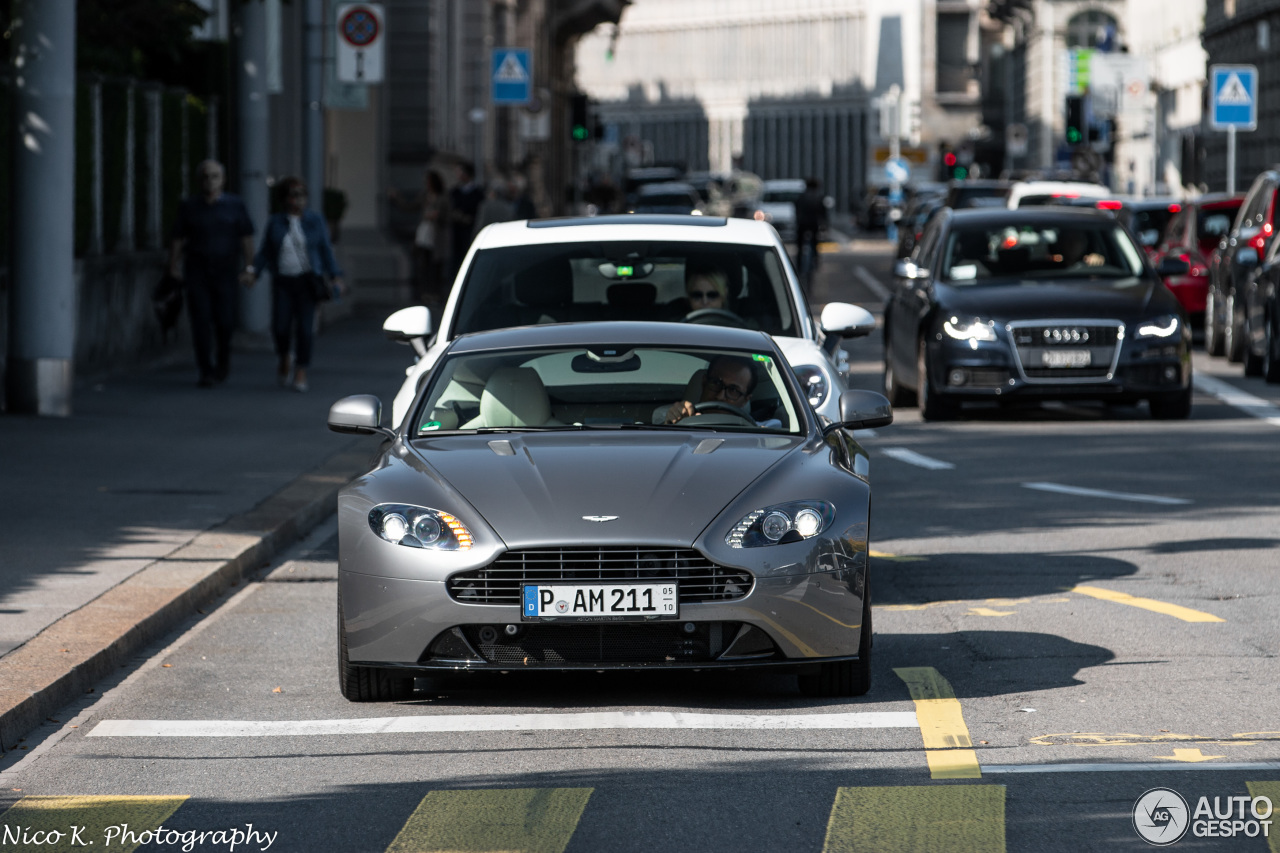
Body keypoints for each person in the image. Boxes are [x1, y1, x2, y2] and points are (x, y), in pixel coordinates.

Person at [251, 177, 345, 393]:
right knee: (280, 327)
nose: (298, 200)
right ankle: (284, 355)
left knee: (304, 329)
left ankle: (301, 369)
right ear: (285, 198)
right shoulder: (276, 222)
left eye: (302, 195)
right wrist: (253, 271)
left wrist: (335, 276)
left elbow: (324, 249)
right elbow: (266, 251)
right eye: (294, 195)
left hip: (307, 280)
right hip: (283, 280)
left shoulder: (315, 221)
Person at [168, 159, 256, 387]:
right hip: (197, 270)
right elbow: (178, 237)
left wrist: (249, 267)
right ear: (199, 180)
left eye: (215, 176)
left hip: (225, 271)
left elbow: (246, 238)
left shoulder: (235, 205)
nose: (210, 181)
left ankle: (223, 361)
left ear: (223, 180)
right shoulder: (189, 206)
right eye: (206, 177)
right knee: (200, 320)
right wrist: (173, 266)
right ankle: (205, 369)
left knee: (225, 321)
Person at [390, 169, 450, 307]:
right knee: (424, 266)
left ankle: (436, 294)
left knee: (436, 267)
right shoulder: (424, 196)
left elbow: (447, 216)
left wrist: (437, 215)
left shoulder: (443, 197)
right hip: (424, 236)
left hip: (437, 237)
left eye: (428, 181)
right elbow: (410, 206)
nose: (426, 184)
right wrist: (397, 198)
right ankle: (426, 294)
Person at [659, 355, 758, 424]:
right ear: (704, 383)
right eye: (716, 383)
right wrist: (672, 423)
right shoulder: (678, 418)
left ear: (745, 400)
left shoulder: (764, 431)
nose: (720, 396)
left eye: (733, 390)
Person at [448, 162, 485, 281]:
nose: (458, 175)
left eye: (460, 172)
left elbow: (480, 212)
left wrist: (469, 218)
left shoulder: (478, 193)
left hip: (471, 230)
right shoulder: (454, 192)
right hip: (457, 231)